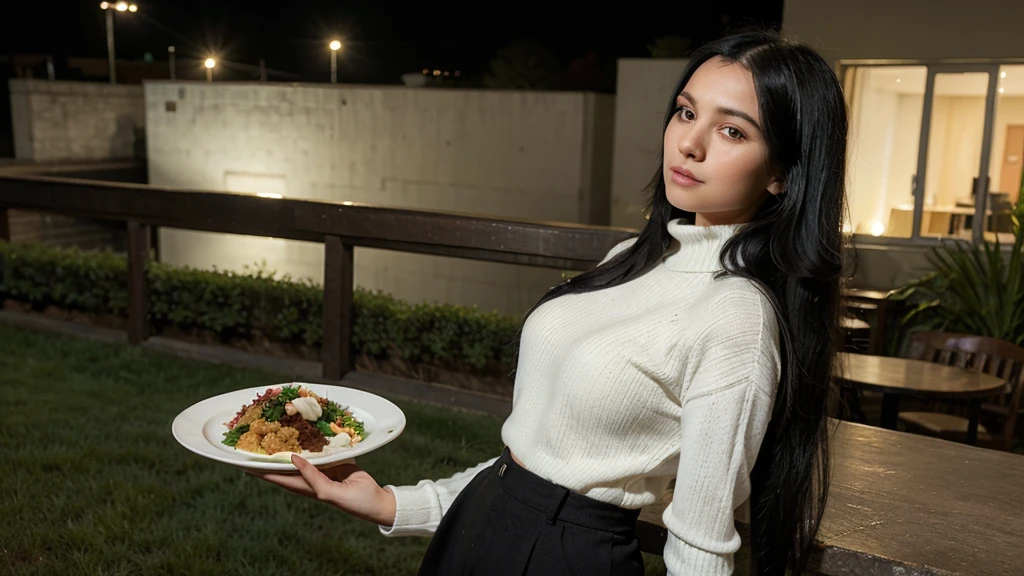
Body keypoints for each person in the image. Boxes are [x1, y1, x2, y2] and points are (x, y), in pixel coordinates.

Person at [251, 28, 847, 576]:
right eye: (686, 112)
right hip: (479, 525)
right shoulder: (629, 259)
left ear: (783, 175)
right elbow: (534, 459)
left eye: (732, 130)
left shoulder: (736, 315)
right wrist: (392, 503)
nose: (688, 143)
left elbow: (698, 540)